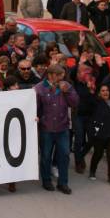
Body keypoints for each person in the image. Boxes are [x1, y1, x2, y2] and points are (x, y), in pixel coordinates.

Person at [35, 65, 78, 194]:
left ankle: (63, 182)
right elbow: (34, 107)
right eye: (59, 75)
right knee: (46, 156)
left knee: (64, 155)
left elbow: (75, 103)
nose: (62, 78)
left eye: (63, 75)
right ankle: (46, 180)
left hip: (62, 128)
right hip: (46, 128)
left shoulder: (66, 87)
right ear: (51, 75)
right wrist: (38, 118)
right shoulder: (39, 88)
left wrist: (68, 91)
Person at [86, 85, 110, 186]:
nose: (105, 92)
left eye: (107, 90)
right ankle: (92, 171)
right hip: (100, 134)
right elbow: (89, 101)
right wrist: (91, 92)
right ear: (99, 93)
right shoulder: (96, 103)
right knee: (98, 154)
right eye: (102, 91)